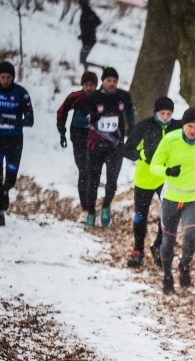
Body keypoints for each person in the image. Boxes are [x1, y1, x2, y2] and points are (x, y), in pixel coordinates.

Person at [149, 107, 195, 295]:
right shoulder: (170, 140)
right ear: (183, 125)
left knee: (191, 238)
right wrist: (167, 171)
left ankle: (184, 266)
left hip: (194, 197)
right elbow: (154, 165)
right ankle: (167, 276)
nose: (193, 130)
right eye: (189, 126)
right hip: (171, 197)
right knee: (168, 242)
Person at [122, 96, 182, 268]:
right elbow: (127, 150)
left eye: (169, 114)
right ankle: (137, 250)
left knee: (168, 215)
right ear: (156, 112)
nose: (165, 117)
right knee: (140, 216)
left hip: (166, 178)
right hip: (145, 178)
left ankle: (159, 246)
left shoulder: (177, 127)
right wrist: (141, 155)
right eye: (162, 113)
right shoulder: (144, 126)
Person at [79, 66, 134, 227]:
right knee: (93, 181)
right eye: (109, 80)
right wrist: (91, 118)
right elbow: (80, 117)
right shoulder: (93, 97)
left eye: (114, 81)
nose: (112, 83)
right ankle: (91, 211)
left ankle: (106, 206)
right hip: (95, 146)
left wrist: (131, 125)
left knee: (112, 181)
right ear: (103, 81)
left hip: (115, 146)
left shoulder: (123, 96)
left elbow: (130, 111)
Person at [56, 71, 98, 210]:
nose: (89, 88)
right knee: (84, 172)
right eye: (86, 85)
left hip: (95, 141)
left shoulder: (100, 99)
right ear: (82, 85)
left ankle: (91, 206)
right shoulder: (75, 97)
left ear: (96, 86)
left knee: (92, 173)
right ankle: (85, 208)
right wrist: (62, 132)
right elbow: (61, 112)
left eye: (92, 85)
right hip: (79, 140)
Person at [0, 61, 34, 227]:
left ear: (13, 77)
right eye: (2, 77)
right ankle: (0, 211)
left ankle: (5, 190)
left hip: (14, 140)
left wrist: (8, 121)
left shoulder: (21, 93)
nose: (5, 80)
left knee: (10, 177)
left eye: (9, 77)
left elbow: (30, 120)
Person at [77, 0, 101, 70]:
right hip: (91, 39)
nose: (78, 5)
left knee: (82, 60)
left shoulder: (85, 14)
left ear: (82, 4)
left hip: (88, 41)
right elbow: (98, 22)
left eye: (79, 4)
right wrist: (92, 28)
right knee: (82, 59)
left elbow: (87, 28)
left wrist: (82, 35)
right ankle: (86, 71)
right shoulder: (91, 12)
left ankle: (101, 68)